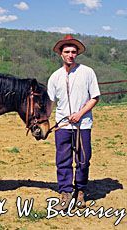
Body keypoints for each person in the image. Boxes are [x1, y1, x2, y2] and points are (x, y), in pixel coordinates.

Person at [47, 34, 100, 210]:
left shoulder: (88, 72)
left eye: (73, 52)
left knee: (84, 160)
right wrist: (45, 123)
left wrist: (80, 114)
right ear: (61, 54)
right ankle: (65, 193)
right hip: (62, 126)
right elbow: (49, 103)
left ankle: (81, 192)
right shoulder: (55, 77)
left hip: (83, 124)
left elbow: (94, 97)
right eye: (67, 51)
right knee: (62, 160)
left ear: (77, 54)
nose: (70, 54)